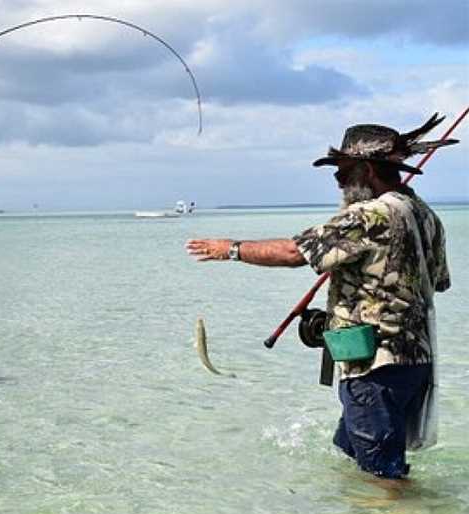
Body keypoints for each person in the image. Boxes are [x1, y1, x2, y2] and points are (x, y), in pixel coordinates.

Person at [185, 113, 458, 480]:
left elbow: (295, 253)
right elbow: (438, 282)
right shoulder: (425, 215)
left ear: (368, 171)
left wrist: (230, 249)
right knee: (349, 456)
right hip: (416, 362)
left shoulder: (368, 216)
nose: (338, 178)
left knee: (383, 479)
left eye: (344, 169)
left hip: (375, 367)